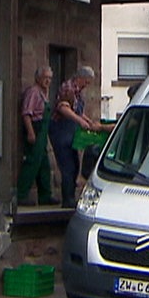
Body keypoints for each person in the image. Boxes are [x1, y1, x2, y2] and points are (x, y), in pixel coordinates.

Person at [48, 66, 106, 208]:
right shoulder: (68, 88)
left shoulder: (78, 92)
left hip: (71, 131)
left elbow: (77, 111)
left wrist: (88, 121)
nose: (87, 85)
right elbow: (63, 108)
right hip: (61, 130)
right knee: (67, 166)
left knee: (75, 164)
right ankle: (67, 200)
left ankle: (71, 197)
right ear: (80, 78)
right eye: (86, 81)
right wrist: (79, 121)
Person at [16, 66, 57, 206]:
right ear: (38, 78)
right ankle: (21, 195)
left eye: (50, 78)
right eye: (45, 77)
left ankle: (45, 196)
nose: (48, 81)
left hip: (43, 133)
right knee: (32, 163)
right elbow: (26, 113)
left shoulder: (44, 93)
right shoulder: (33, 92)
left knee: (44, 164)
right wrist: (30, 132)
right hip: (36, 128)